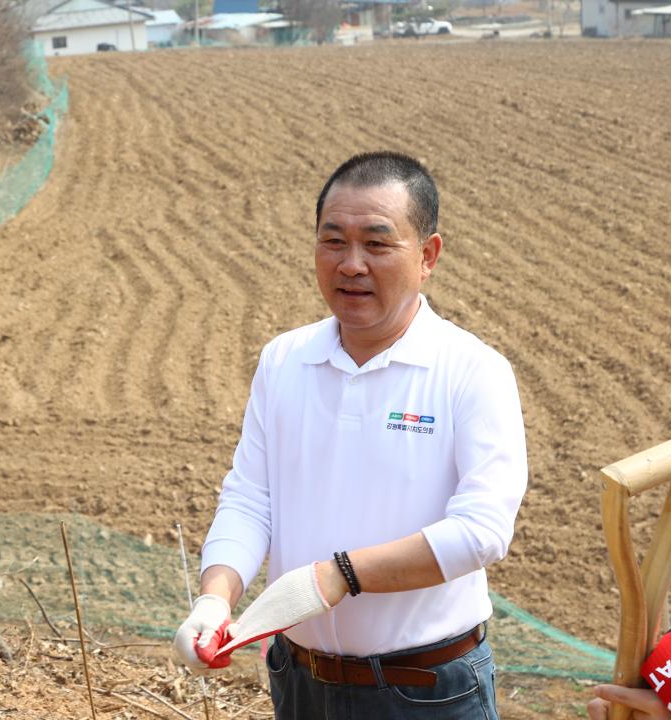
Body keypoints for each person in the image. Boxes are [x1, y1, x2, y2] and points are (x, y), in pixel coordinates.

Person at [173, 151, 528, 719]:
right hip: (299, 680)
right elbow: (250, 498)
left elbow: (482, 530)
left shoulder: (471, 370)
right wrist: (216, 598)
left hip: (425, 691)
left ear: (428, 255)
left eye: (378, 244)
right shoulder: (285, 360)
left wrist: (342, 576)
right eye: (333, 241)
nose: (351, 264)